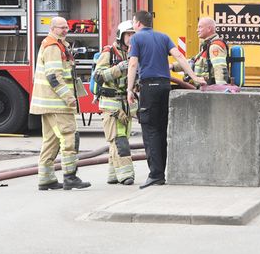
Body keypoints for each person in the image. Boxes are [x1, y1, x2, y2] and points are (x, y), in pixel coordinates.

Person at [125, 10, 205, 189]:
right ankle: (160, 173)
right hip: (165, 86)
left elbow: (132, 64)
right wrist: (193, 76)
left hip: (149, 87)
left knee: (150, 130)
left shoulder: (136, 39)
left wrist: (129, 89)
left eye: (133, 23)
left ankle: (155, 174)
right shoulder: (163, 37)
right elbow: (179, 56)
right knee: (161, 129)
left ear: (138, 24)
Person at [29, 17, 90, 191]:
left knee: (51, 141)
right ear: (52, 28)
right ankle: (70, 177)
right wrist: (69, 97)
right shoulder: (53, 47)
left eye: (66, 27)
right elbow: (53, 77)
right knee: (70, 137)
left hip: (49, 103)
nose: (65, 30)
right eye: (61, 28)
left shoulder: (55, 45)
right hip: (57, 104)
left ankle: (46, 178)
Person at [94, 21, 136, 185]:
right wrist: (118, 68)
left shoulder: (132, 53)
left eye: (134, 34)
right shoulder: (109, 52)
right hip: (111, 106)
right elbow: (98, 76)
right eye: (128, 35)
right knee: (120, 141)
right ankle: (126, 175)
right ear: (121, 36)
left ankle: (113, 174)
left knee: (119, 140)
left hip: (125, 106)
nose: (131, 38)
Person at [192, 17, 230, 86]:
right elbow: (193, 62)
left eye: (200, 27)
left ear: (209, 29)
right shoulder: (207, 45)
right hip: (205, 88)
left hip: (210, 88)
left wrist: (220, 89)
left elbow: (219, 68)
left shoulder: (214, 46)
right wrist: (173, 66)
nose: (197, 30)